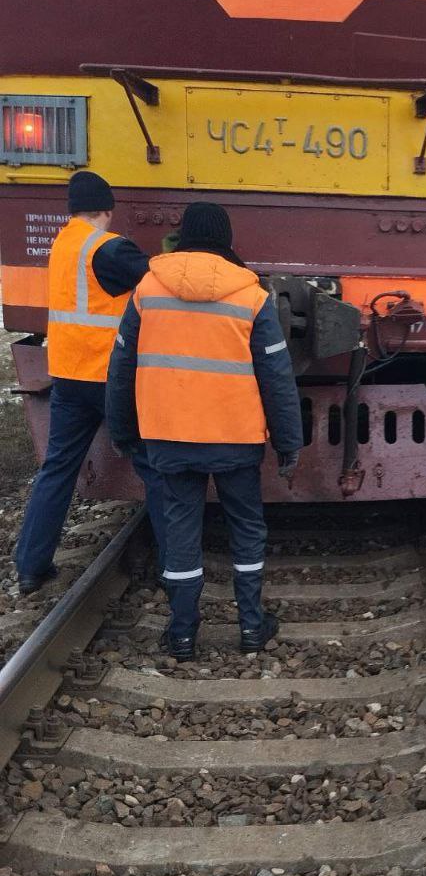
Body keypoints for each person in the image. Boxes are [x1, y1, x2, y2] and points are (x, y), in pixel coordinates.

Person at [106, 201, 303, 661]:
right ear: (227, 242)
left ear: (182, 237)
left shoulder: (148, 290)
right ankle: (253, 627)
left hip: (170, 437)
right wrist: (289, 443)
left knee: (179, 533)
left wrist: (122, 430)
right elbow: (277, 377)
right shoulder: (251, 295)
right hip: (235, 438)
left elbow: (121, 367)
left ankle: (182, 634)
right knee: (246, 529)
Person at [15, 171, 166, 593]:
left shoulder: (63, 244)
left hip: (67, 376)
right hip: (109, 378)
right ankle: (171, 565)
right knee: (154, 469)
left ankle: (31, 566)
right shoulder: (108, 248)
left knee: (57, 469)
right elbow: (159, 282)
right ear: (107, 209)